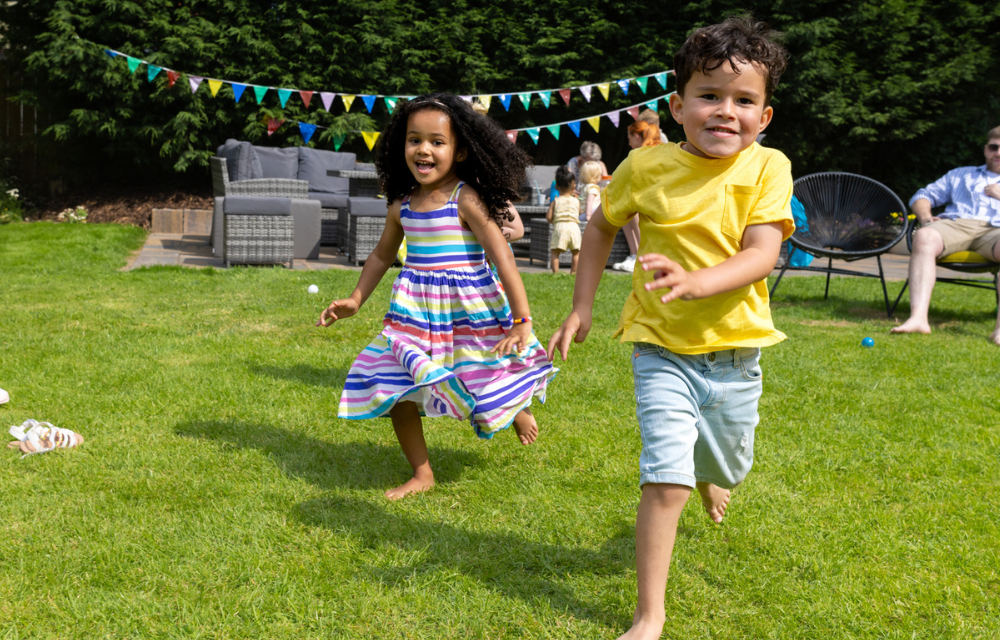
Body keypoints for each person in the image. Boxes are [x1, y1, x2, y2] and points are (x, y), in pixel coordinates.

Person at [548, 16, 792, 640]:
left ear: (763, 117)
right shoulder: (644, 167)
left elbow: (762, 253)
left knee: (726, 466)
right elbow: (600, 226)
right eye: (709, 95)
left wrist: (698, 281)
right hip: (660, 349)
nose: (725, 112)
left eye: (744, 101)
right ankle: (648, 617)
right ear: (678, 106)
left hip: (736, 354)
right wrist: (582, 306)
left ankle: (713, 475)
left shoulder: (767, 167)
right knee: (665, 477)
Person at [318, 93, 556, 500]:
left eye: (437, 142)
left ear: (461, 150)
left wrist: (522, 319)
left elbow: (502, 256)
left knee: (482, 381)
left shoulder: (466, 197)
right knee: (394, 385)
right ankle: (422, 473)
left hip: (470, 309)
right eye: (414, 140)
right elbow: (381, 255)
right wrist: (356, 299)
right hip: (414, 314)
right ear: (400, 145)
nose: (423, 149)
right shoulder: (401, 204)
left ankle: (515, 407)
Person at [891, 126, 1000, 345]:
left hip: (997, 230)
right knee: (924, 236)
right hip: (957, 224)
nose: (998, 153)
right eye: (994, 147)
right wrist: (926, 218)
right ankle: (918, 319)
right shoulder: (961, 174)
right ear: (985, 149)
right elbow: (921, 196)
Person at [614, 120, 666, 272]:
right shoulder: (660, 150)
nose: (629, 143)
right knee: (625, 211)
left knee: (633, 208)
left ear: (636, 136)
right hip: (658, 197)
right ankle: (635, 254)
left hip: (658, 201)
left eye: (629, 138)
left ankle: (641, 255)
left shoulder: (641, 155)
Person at [546, 166, 582, 273]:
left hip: (560, 227)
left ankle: (555, 272)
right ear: (573, 186)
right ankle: (573, 272)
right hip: (574, 228)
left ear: (557, 187)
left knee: (555, 252)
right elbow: (579, 212)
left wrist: (554, 221)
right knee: (576, 252)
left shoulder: (555, 201)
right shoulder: (576, 201)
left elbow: (548, 217)